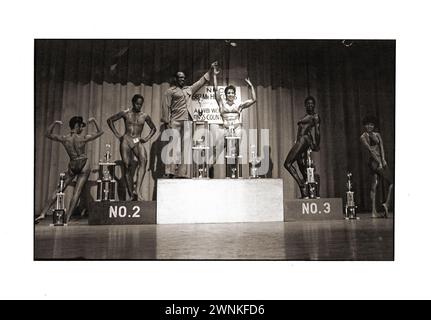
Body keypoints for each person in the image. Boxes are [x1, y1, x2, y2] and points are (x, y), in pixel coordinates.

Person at [35, 116, 104, 223]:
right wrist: (95, 120)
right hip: (83, 164)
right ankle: (66, 219)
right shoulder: (83, 137)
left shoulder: (64, 138)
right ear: (77, 126)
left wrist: (54, 123)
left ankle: (43, 213)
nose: (82, 129)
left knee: (59, 189)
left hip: (72, 164)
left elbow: (47, 134)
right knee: (77, 192)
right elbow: (100, 132)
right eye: (81, 126)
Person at [161, 61, 218, 178]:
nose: (182, 79)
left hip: (187, 122)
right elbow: (165, 106)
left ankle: (182, 172)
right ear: (175, 79)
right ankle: (170, 171)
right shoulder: (170, 91)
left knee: (185, 148)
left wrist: (211, 69)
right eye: (180, 78)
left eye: (183, 78)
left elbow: (201, 81)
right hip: (175, 121)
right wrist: (167, 122)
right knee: (172, 147)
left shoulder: (189, 89)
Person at [107, 94, 156, 200]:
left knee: (144, 160)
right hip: (126, 140)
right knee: (127, 165)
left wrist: (146, 138)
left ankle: (137, 190)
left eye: (141, 104)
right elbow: (110, 120)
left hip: (137, 140)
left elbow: (153, 128)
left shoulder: (144, 116)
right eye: (137, 104)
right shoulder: (126, 113)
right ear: (133, 103)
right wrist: (117, 134)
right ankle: (131, 195)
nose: (139, 106)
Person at [284, 96, 321, 198]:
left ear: (314, 105)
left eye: (312, 103)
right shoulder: (307, 116)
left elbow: (317, 132)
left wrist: (317, 144)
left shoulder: (315, 116)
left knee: (287, 164)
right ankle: (310, 191)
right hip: (301, 140)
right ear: (305, 105)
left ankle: (302, 186)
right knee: (303, 168)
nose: (310, 105)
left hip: (303, 140)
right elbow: (306, 130)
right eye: (308, 103)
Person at [360, 115, 393, 218]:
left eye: (371, 124)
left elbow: (382, 147)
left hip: (380, 161)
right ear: (365, 125)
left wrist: (383, 160)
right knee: (384, 183)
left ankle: (382, 206)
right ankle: (379, 208)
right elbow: (370, 150)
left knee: (377, 183)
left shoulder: (377, 135)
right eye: (368, 124)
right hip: (373, 162)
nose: (369, 126)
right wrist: (378, 162)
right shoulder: (363, 136)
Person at [213, 65, 257, 137]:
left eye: (232, 93)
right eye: (229, 93)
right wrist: (214, 75)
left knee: (237, 148)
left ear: (234, 95)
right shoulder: (221, 104)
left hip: (237, 129)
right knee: (223, 147)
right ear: (226, 95)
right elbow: (215, 89)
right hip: (225, 129)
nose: (230, 94)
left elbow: (254, 99)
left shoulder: (239, 105)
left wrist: (251, 86)